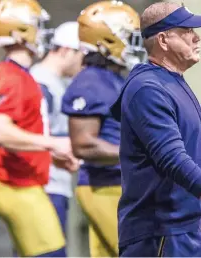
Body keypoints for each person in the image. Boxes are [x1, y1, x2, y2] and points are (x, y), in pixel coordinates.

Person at [110, 2, 201, 256]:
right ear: (163, 40)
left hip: (189, 226)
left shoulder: (171, 81)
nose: (196, 37)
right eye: (186, 31)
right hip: (161, 232)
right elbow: (173, 159)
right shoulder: (147, 89)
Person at [0, 0, 76, 256]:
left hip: (25, 183)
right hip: (17, 185)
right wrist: (53, 143)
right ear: (20, 32)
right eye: (37, 25)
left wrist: (53, 156)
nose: (43, 31)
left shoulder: (21, 74)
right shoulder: (9, 75)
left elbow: (24, 132)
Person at [60, 1, 145, 257]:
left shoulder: (113, 78)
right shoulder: (90, 82)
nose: (135, 43)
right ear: (105, 40)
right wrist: (140, 153)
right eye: (128, 37)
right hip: (103, 186)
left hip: (118, 185)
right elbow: (83, 144)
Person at [30, 21, 83, 238]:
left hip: (56, 183)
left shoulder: (57, 83)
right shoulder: (41, 83)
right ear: (66, 51)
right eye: (82, 56)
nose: (84, 64)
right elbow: (31, 137)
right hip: (44, 185)